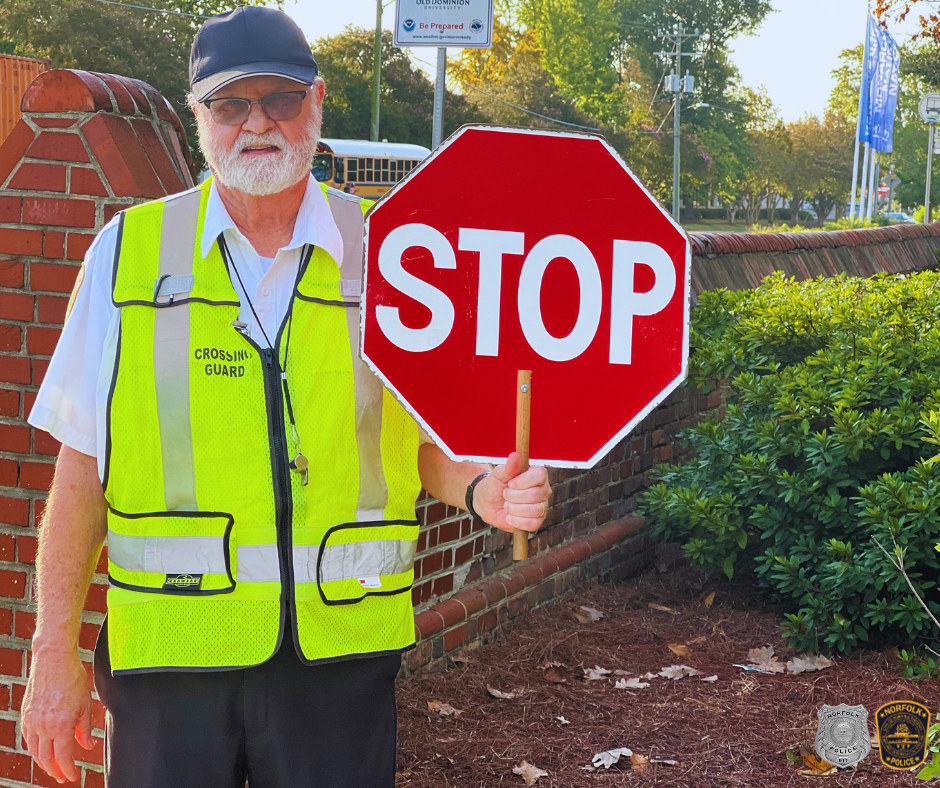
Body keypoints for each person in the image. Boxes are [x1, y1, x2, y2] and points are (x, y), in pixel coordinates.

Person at [21, 7, 551, 787]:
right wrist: (51, 655)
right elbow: (79, 470)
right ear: (198, 114)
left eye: (281, 99)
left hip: (337, 664)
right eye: (231, 103)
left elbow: (421, 442)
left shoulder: (389, 258)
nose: (257, 123)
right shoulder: (126, 257)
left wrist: (483, 489)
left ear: (319, 101)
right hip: (172, 662)